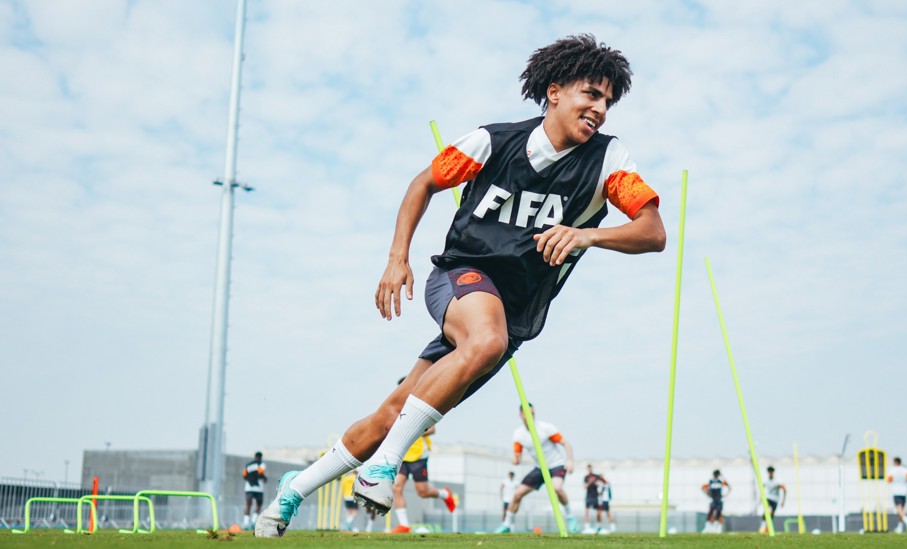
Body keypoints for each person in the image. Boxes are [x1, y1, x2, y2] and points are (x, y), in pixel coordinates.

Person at [254, 33, 665, 538]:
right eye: (591, 94)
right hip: (461, 277)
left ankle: (293, 490)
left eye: (607, 100)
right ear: (554, 91)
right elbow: (423, 182)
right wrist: (395, 259)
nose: (600, 109)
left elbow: (653, 231)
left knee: (394, 413)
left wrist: (586, 234)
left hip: (512, 314)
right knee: (482, 342)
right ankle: (383, 467)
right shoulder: (493, 141)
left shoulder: (608, 160)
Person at [494, 404, 579, 533]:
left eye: (533, 413)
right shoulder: (518, 435)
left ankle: (570, 517)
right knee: (517, 494)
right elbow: (517, 457)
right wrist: (515, 461)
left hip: (556, 465)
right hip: (539, 468)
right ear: (521, 415)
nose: (531, 416)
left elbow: (565, 443)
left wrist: (570, 461)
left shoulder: (545, 428)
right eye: (528, 413)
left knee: (557, 488)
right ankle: (506, 524)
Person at [390, 376, 455, 534]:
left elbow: (432, 429)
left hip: (419, 456)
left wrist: (413, 430)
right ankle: (404, 525)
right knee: (396, 488)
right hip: (403, 456)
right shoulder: (397, 409)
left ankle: (444, 494)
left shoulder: (420, 406)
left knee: (423, 492)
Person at [887, 456, 907, 533]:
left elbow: (889, 480)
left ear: (895, 462)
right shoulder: (905, 470)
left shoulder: (892, 470)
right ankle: (900, 527)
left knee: (899, 509)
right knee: (901, 510)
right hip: (904, 491)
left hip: (896, 491)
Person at [241, 451, 267, 529]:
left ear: (255, 456)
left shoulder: (248, 465)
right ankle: (253, 522)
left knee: (248, 505)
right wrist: (265, 478)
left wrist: (250, 479)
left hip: (249, 488)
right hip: (258, 488)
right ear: (261, 457)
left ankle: (245, 524)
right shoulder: (261, 464)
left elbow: (244, 475)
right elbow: (260, 473)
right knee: (259, 505)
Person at [701, 469, 730, 534]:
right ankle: (707, 528)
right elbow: (703, 487)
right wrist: (707, 494)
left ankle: (717, 528)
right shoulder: (711, 482)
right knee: (710, 513)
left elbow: (729, 486)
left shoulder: (721, 482)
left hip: (719, 500)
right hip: (713, 500)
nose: (716, 476)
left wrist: (725, 495)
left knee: (718, 513)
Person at [759, 465, 786, 533]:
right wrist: (761, 498)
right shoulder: (766, 481)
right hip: (768, 498)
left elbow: (784, 489)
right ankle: (762, 527)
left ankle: (767, 529)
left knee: (771, 516)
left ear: (773, 472)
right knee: (765, 513)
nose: (770, 473)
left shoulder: (777, 481)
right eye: (769, 472)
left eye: (771, 472)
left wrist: (783, 501)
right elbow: (762, 488)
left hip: (775, 500)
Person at [582, 464, 606, 534]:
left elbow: (600, 484)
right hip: (588, 496)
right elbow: (585, 486)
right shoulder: (586, 477)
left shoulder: (596, 476)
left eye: (591, 468)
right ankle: (587, 527)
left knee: (598, 512)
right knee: (587, 511)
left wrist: (596, 482)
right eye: (589, 468)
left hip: (596, 496)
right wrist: (590, 482)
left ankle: (599, 527)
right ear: (588, 469)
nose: (590, 470)